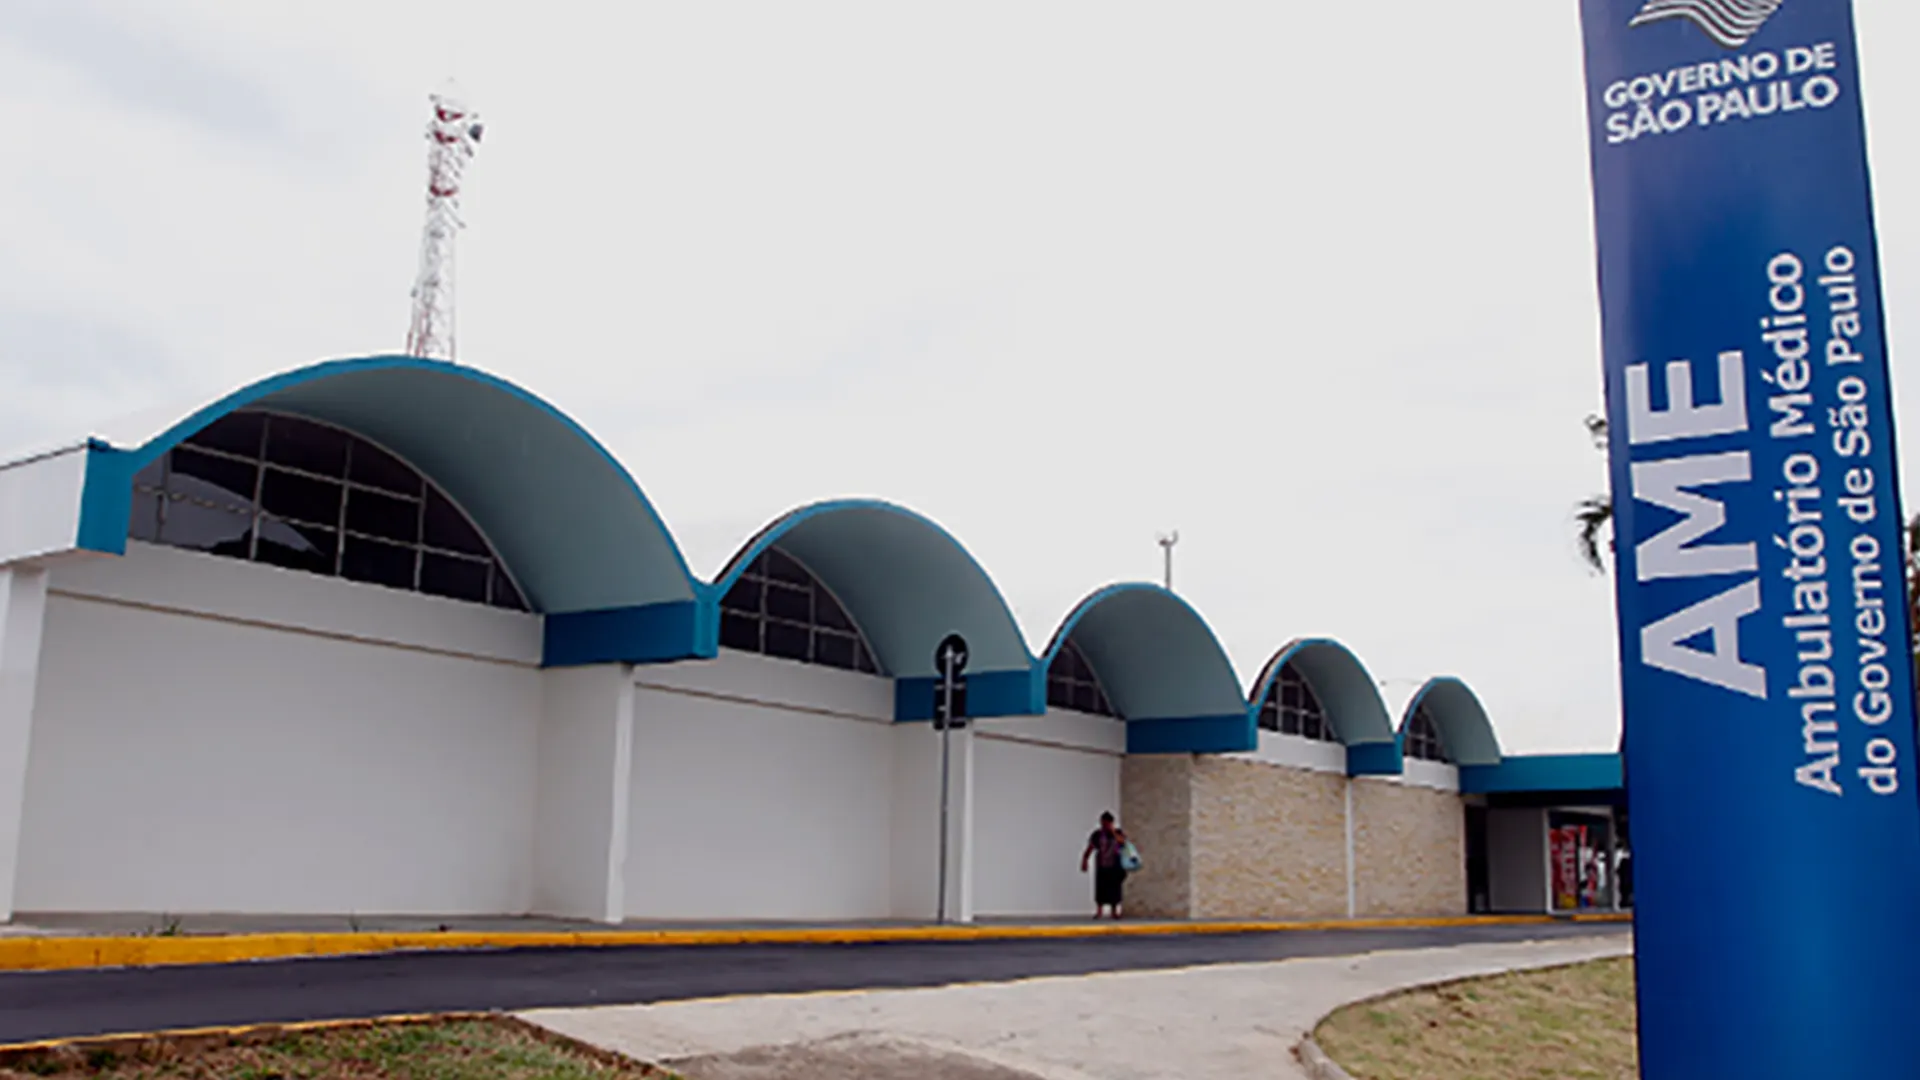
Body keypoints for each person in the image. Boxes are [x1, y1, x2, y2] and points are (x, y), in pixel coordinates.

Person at [1079, 811, 1129, 919]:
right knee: (1101, 888)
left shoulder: (1118, 832)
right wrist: (1085, 860)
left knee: (1114, 888)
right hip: (1102, 864)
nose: (1105, 825)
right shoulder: (1097, 834)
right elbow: (1090, 847)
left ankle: (1114, 911)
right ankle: (1099, 911)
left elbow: (1123, 842)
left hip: (1115, 865)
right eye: (1103, 823)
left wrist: (1113, 831)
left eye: (1107, 823)